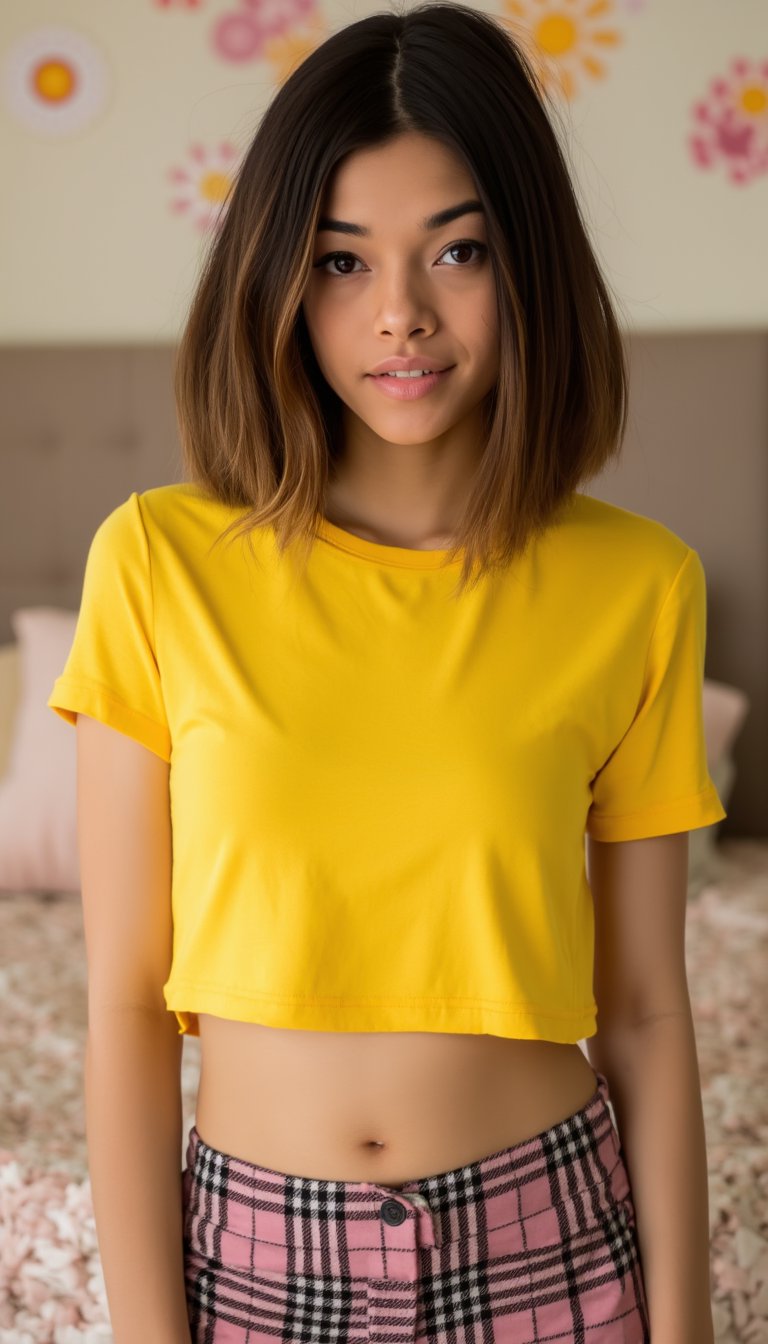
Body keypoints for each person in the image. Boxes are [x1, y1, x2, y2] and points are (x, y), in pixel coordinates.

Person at [47, 3, 727, 1341]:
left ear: (527, 261)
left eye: (457, 251)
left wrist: (687, 1328)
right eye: (343, 262)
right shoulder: (156, 561)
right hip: (252, 1258)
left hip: (553, 1244)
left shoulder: (640, 585)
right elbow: (126, 1003)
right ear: (279, 280)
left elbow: (645, 1010)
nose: (401, 316)